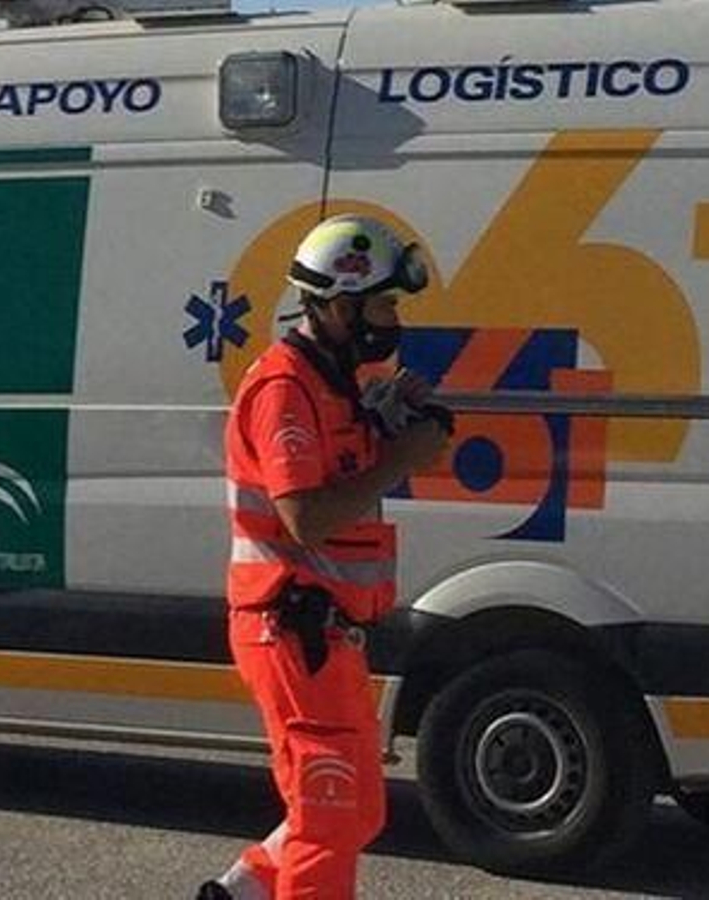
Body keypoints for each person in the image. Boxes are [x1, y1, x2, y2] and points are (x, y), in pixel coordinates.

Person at [200, 215, 452, 900]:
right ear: (340, 307)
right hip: (290, 627)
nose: (392, 320)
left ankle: (241, 892)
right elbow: (305, 517)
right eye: (383, 305)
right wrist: (399, 460)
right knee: (328, 820)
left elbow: (343, 472)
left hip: (327, 632)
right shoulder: (286, 389)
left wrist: (395, 422)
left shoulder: (337, 381)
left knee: (358, 810)